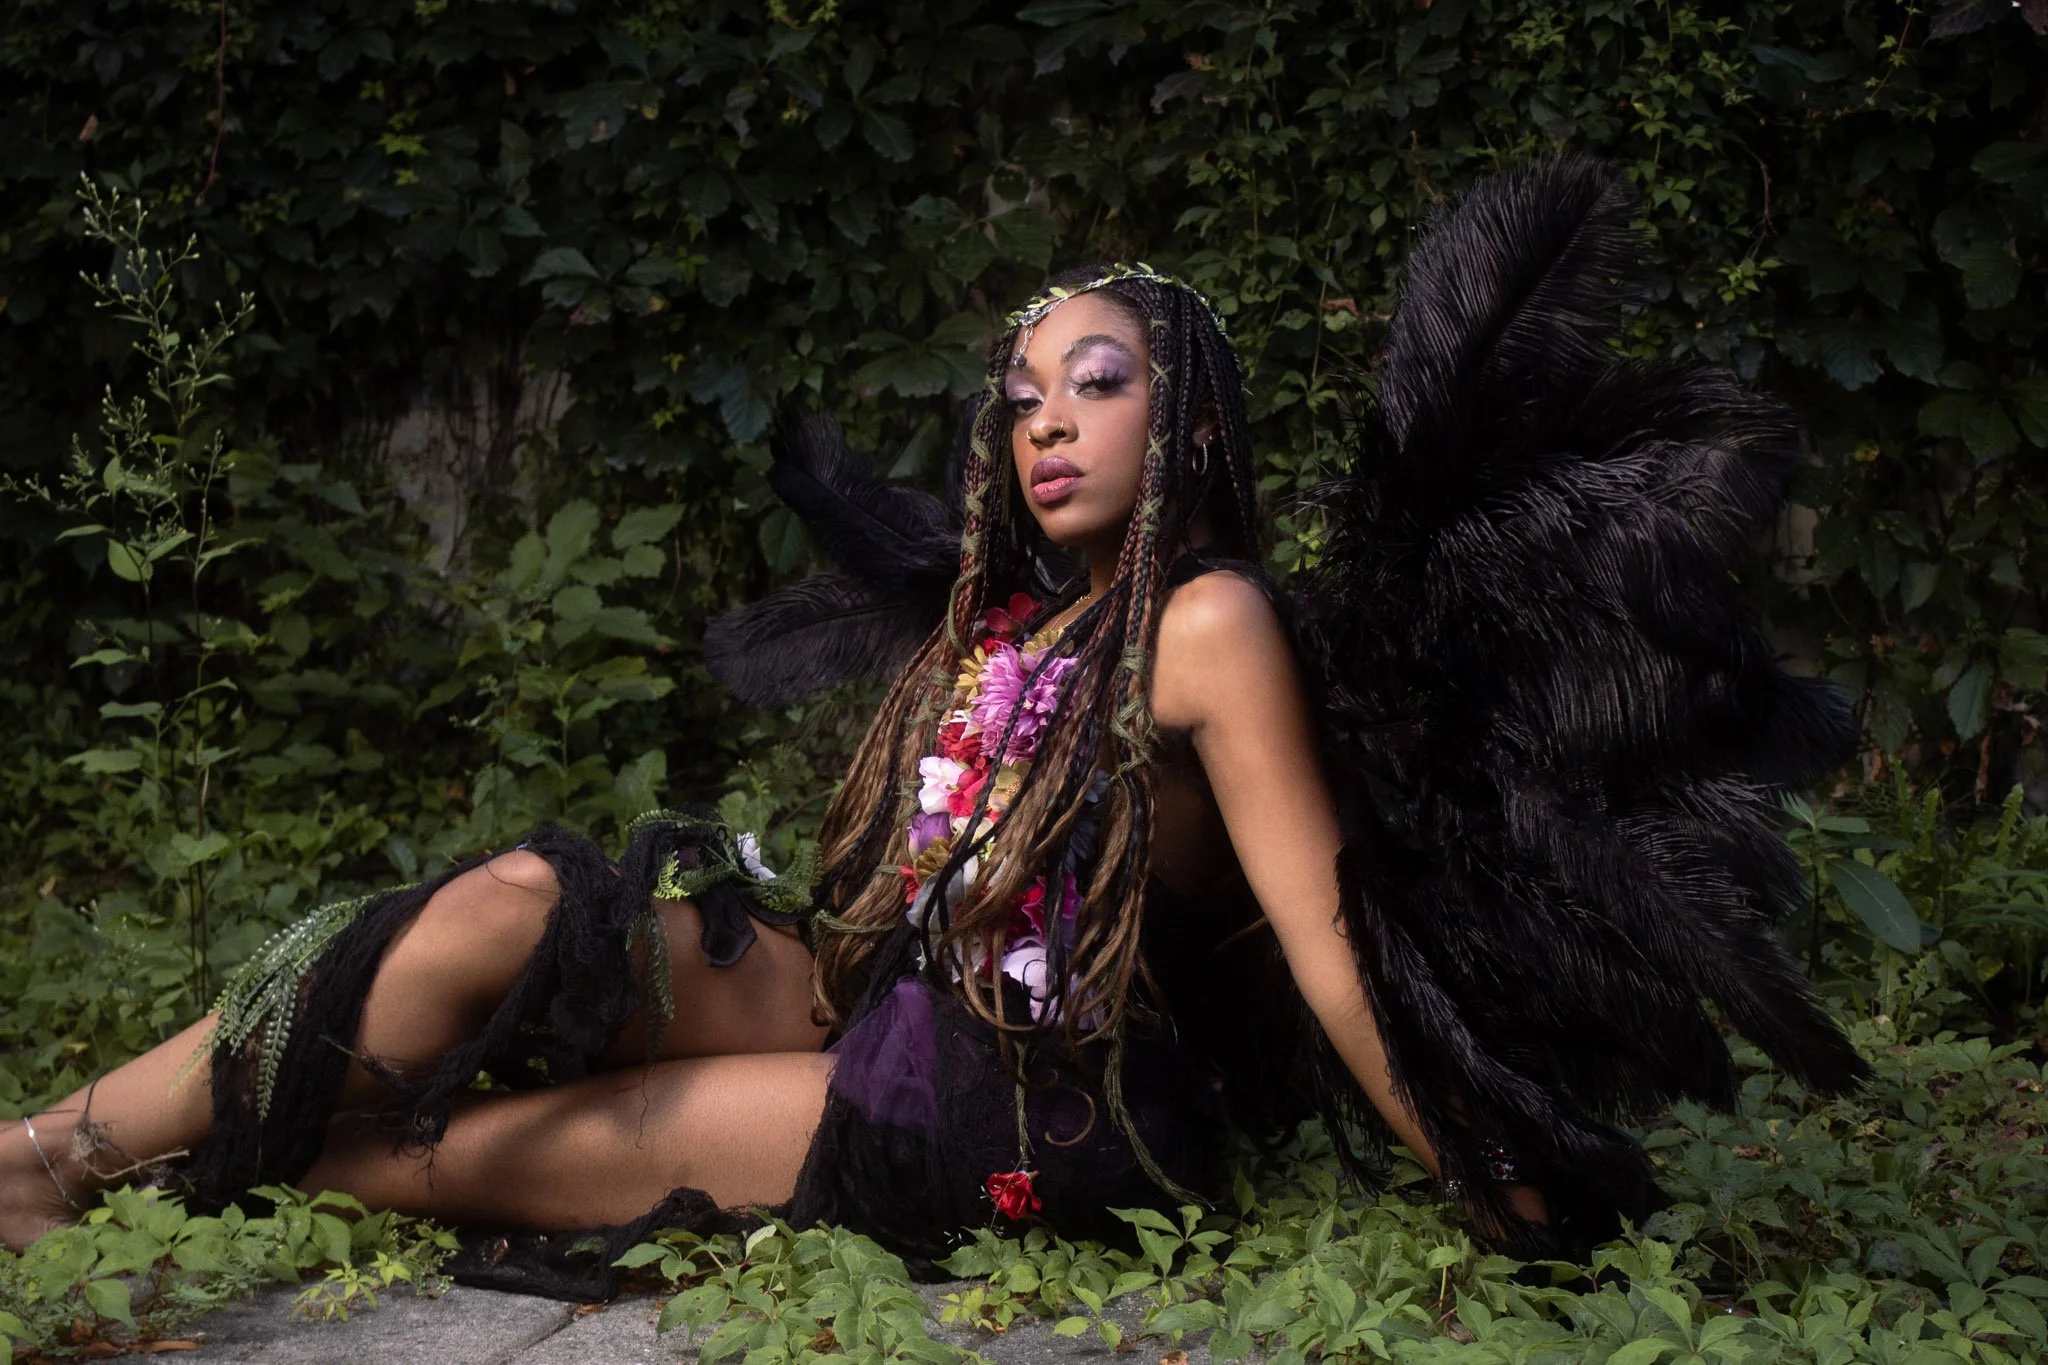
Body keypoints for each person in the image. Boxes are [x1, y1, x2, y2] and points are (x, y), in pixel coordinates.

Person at [0, 159, 1866, 1293]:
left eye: (1097, 385)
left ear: (1186, 425)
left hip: (1016, 1098)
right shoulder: (1012, 616)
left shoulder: (1210, 623)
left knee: (441, 1153)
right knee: (508, 904)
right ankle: (50, 1145)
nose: (1044, 421)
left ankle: (152, 1177)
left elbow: (1327, 936)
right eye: (1020, 392)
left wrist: (1489, 1166)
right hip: (876, 988)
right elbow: (920, 881)